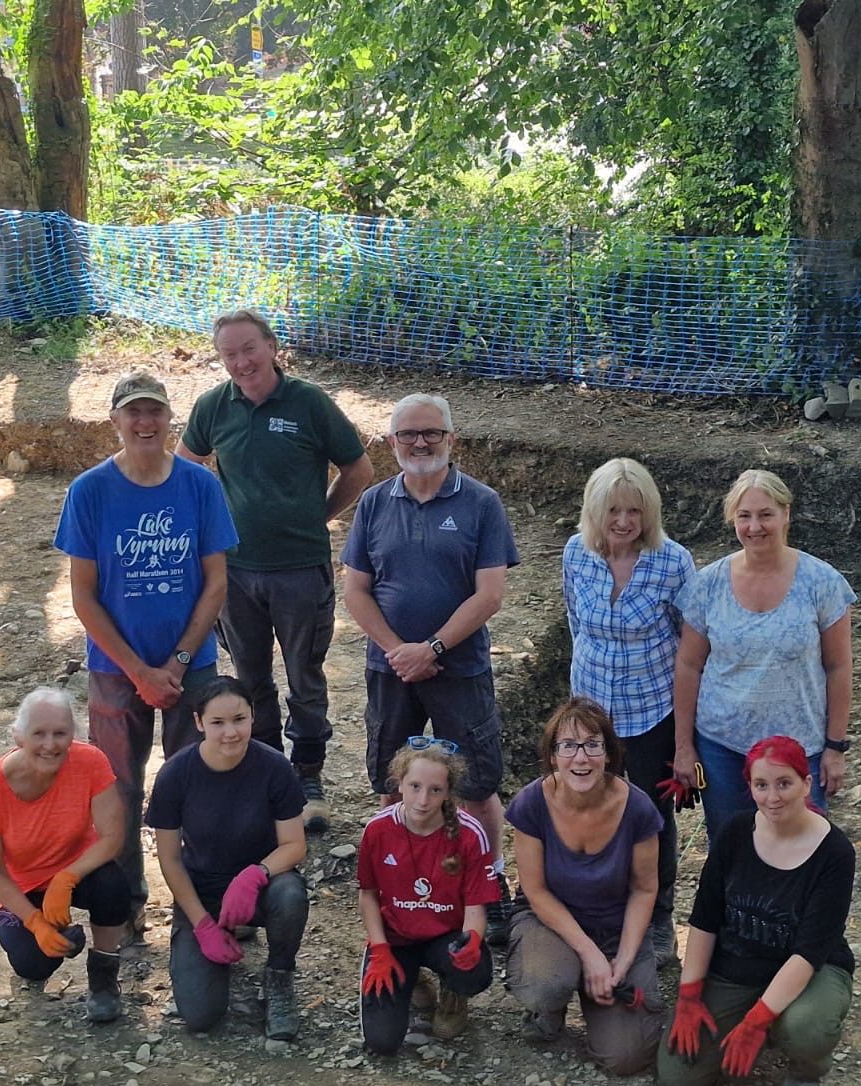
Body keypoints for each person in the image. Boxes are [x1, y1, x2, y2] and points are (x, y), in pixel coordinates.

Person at [54, 370, 239, 935]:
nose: (144, 422)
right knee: (117, 789)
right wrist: (138, 670)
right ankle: (126, 903)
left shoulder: (199, 485)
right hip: (115, 671)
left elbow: (216, 583)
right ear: (114, 421)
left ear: (168, 420)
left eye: (154, 412)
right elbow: (83, 594)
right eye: (132, 412)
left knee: (199, 782)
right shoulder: (89, 491)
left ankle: (201, 902)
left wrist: (179, 662)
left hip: (193, 669)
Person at [180, 310, 374, 833]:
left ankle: (307, 774)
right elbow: (185, 467)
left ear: (272, 347)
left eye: (249, 349)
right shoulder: (212, 407)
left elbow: (359, 469)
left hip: (299, 569)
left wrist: (320, 515)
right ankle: (264, 772)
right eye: (229, 354)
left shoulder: (309, 403)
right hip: (235, 574)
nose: (241, 362)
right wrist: (210, 527)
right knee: (250, 678)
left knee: (304, 677)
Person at [341, 393, 521, 942]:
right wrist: (399, 649)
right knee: (393, 786)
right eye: (408, 434)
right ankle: (399, 884)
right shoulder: (372, 503)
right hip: (388, 669)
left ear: (451, 439)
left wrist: (433, 649)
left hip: (460, 668)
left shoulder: (481, 503)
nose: (420, 443)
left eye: (431, 433)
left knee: (476, 785)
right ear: (391, 442)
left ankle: (488, 882)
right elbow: (354, 590)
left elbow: (490, 595)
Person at [657, 736, 855, 1086]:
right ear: (749, 787)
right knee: (680, 1082)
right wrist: (689, 995)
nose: (773, 797)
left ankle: (806, 1066)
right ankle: (758, 1022)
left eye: (784, 783)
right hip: (738, 965)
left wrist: (756, 1020)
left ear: (806, 783)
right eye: (761, 785)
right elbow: (705, 917)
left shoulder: (834, 853)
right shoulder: (734, 833)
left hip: (810, 968)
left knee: (805, 1027)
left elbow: (810, 950)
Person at [562, 458, 695, 966]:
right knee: (591, 807)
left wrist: (685, 737)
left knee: (650, 817)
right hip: (591, 714)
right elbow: (576, 622)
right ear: (595, 511)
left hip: (651, 712)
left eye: (634, 511)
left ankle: (659, 916)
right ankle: (601, 908)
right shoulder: (576, 554)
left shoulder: (673, 562)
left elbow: (691, 645)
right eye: (613, 510)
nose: (623, 521)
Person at [672, 468, 855, 832]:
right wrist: (683, 746)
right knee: (730, 849)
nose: (755, 526)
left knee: (799, 850)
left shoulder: (822, 583)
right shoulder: (707, 585)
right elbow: (689, 665)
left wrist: (835, 747)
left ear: (786, 514)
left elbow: (839, 667)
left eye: (765, 514)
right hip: (722, 747)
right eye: (744, 516)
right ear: (732, 520)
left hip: (799, 748)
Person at [505, 697, 665, 1075]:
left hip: (616, 927)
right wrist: (590, 956)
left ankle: (598, 994)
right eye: (568, 746)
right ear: (553, 756)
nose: (581, 758)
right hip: (551, 921)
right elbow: (536, 891)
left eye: (593, 745)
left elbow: (645, 890)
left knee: (627, 1057)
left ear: (609, 754)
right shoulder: (531, 803)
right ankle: (555, 1000)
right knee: (545, 984)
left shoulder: (639, 809)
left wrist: (621, 961)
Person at [144, 677, 310, 1038]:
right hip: (202, 889)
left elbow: (294, 845)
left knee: (291, 894)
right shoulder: (176, 774)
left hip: (262, 884)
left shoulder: (274, 767)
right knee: (200, 1016)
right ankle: (210, 933)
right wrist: (201, 923)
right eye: (218, 723)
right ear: (199, 722)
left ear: (253, 718)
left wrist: (255, 874)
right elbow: (170, 859)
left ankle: (280, 977)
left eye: (240, 719)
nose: (231, 733)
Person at [0, 688, 129, 1021]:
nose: (50, 744)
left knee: (114, 886)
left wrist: (67, 878)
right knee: (33, 966)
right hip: (19, 884)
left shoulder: (90, 761)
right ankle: (55, 935)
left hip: (75, 868)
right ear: (18, 736)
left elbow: (112, 837)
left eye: (60, 733)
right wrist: (34, 922)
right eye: (39, 734)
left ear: (73, 734)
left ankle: (104, 975)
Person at [356, 740, 498, 1053]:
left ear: (448, 793)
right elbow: (368, 896)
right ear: (399, 786)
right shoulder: (378, 830)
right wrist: (379, 949)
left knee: (473, 971)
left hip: (444, 936)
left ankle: (453, 994)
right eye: (415, 786)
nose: (423, 799)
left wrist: (473, 940)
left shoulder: (470, 833)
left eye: (435, 789)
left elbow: (476, 905)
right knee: (381, 1041)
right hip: (395, 939)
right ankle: (412, 980)